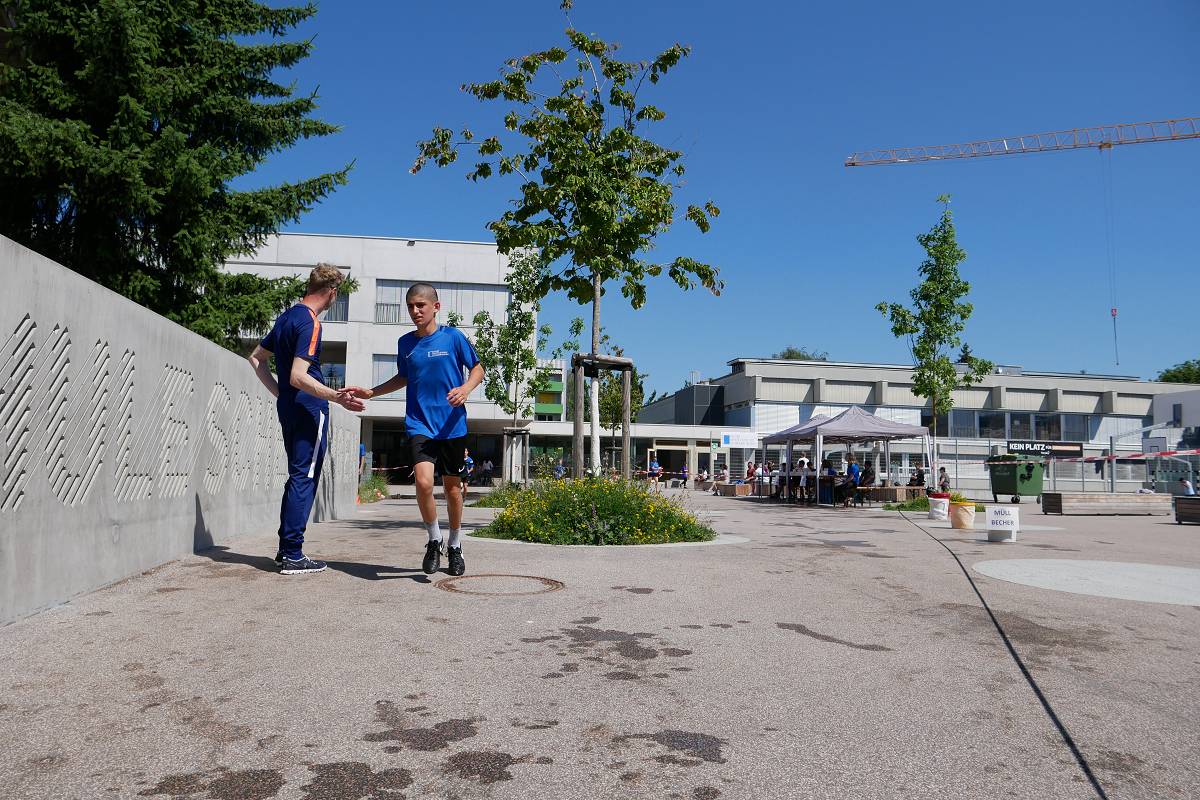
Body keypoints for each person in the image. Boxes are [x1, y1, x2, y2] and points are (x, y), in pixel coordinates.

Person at [342, 283, 484, 577]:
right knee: (423, 483)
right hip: (419, 422)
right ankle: (434, 539)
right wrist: (372, 392)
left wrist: (466, 389)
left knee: (453, 489)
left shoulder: (453, 337)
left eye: (421, 305)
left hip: (451, 424)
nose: (415, 311)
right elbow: (403, 377)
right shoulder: (405, 343)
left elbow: (478, 369)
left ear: (436, 307)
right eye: (410, 306)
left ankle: (455, 545)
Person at [248, 264, 364, 575]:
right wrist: (336, 396)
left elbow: (256, 358)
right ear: (332, 292)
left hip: (290, 406)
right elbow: (299, 376)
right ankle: (293, 554)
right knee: (305, 476)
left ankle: (286, 550)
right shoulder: (310, 322)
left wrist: (281, 394)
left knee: (298, 474)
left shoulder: (286, 317)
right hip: (309, 409)